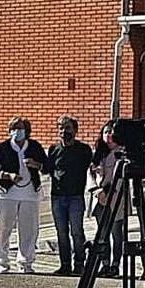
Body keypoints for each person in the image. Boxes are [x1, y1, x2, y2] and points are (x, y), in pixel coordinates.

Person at [0, 117, 51, 275]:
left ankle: (25, 262)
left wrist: (36, 165)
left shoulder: (35, 147)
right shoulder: (2, 148)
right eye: (14, 128)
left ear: (27, 131)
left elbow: (47, 168)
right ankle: (2, 262)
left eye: (20, 128)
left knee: (29, 229)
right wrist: (7, 175)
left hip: (30, 194)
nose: (17, 131)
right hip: (6, 194)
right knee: (2, 228)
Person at [44, 115, 93, 276]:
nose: (64, 131)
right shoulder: (54, 149)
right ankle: (65, 264)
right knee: (61, 232)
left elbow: (93, 167)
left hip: (75, 197)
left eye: (68, 128)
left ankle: (79, 263)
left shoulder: (83, 150)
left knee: (77, 232)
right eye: (61, 128)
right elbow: (48, 169)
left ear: (75, 130)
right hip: (57, 196)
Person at [90, 122, 128, 278]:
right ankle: (104, 263)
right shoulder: (99, 153)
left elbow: (121, 176)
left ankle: (115, 265)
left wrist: (108, 192)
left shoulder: (122, 152)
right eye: (106, 132)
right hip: (99, 197)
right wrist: (96, 190)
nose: (109, 135)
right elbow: (90, 173)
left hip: (115, 196)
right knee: (102, 233)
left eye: (112, 132)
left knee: (116, 233)